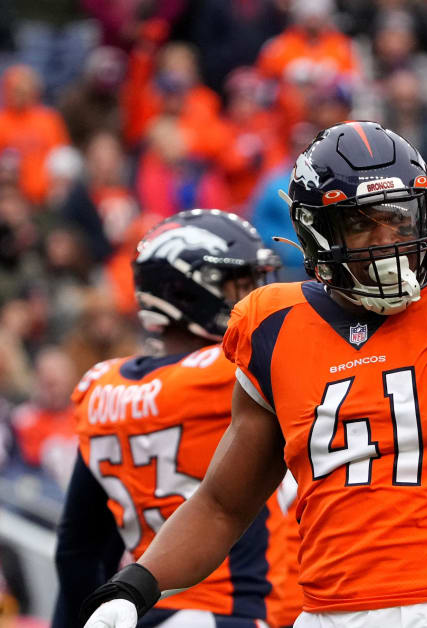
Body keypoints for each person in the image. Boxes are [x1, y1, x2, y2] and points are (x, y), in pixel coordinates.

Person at [79, 77, 427, 628]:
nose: (387, 242)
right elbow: (224, 504)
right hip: (325, 615)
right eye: (361, 225)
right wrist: (133, 586)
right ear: (317, 234)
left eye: (397, 217)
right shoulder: (274, 326)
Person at [54, 209, 302, 628]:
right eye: (240, 284)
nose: (254, 297)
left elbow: (78, 549)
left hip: (145, 607)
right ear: (185, 292)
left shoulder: (100, 387)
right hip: (237, 611)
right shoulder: (228, 372)